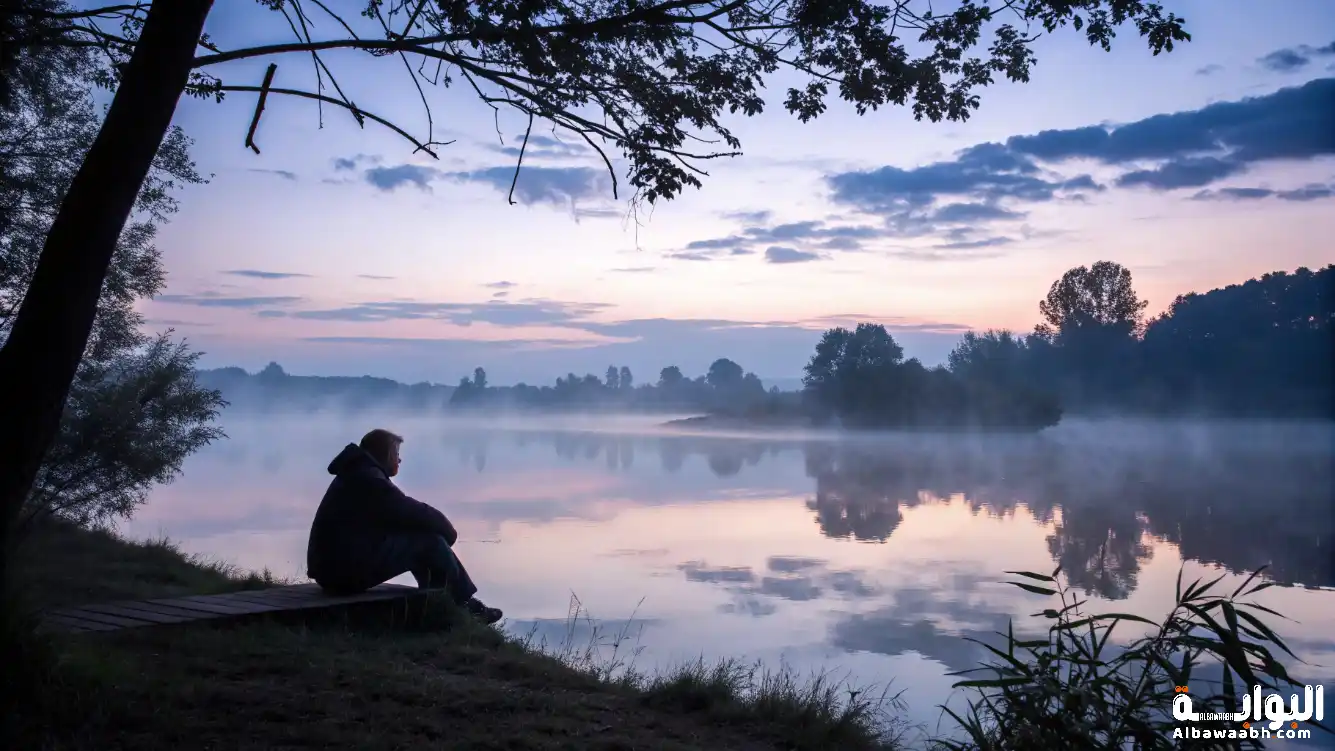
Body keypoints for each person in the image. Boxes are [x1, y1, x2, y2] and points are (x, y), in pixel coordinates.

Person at [306, 428, 503, 624]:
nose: (399, 460)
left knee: (419, 538)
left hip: (333, 567)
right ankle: (459, 605)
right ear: (386, 454)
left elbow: (401, 515)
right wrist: (446, 530)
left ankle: (445, 603)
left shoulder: (358, 472)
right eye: (397, 454)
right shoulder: (368, 478)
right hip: (339, 572)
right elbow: (408, 510)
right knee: (430, 543)